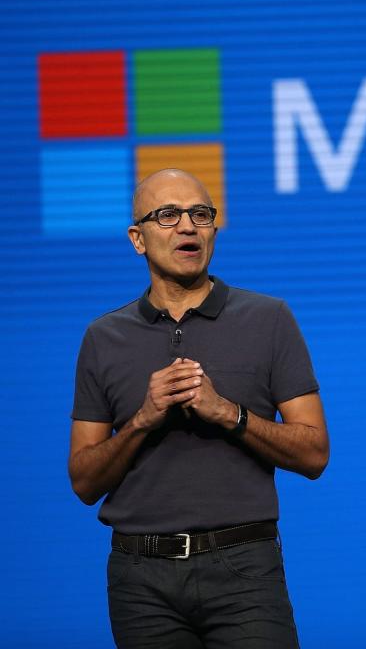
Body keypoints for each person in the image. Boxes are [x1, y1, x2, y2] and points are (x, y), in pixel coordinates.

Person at [68, 168, 328, 648]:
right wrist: (143, 421)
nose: (187, 226)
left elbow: (314, 453)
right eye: (167, 215)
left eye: (201, 215)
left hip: (244, 567)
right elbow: (84, 480)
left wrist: (230, 414)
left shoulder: (269, 319)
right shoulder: (103, 338)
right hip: (140, 579)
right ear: (137, 238)